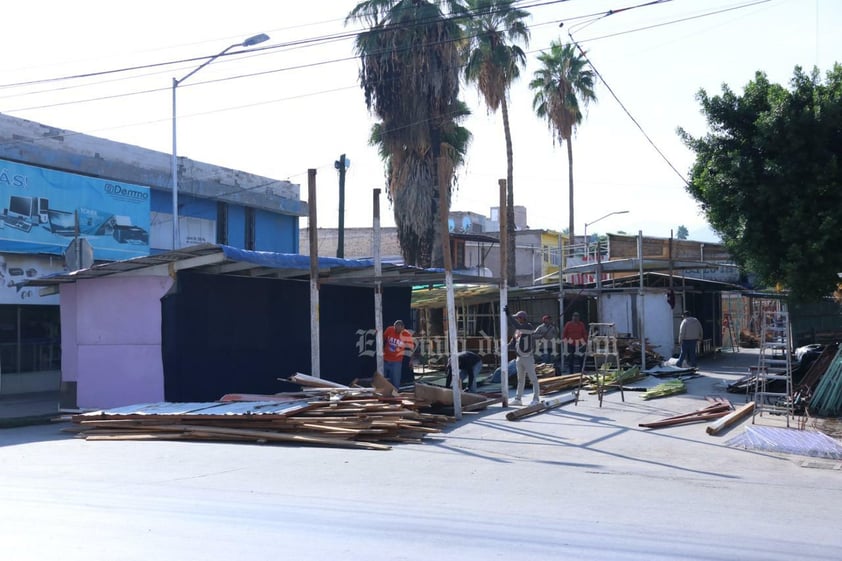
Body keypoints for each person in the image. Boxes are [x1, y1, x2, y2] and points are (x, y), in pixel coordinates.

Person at [505, 307, 540, 406]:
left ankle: (536, 399)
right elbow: (513, 343)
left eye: (518, 318)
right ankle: (518, 399)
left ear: (522, 318)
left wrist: (509, 315)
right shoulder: (518, 331)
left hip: (528, 357)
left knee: (533, 379)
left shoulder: (528, 327)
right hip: (519, 358)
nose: (517, 320)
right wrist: (503, 348)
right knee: (520, 379)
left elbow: (517, 325)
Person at [383, 320, 410, 389]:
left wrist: (411, 360)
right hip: (385, 359)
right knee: (381, 380)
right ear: (394, 327)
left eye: (399, 330)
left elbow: (411, 348)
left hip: (396, 361)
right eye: (396, 329)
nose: (397, 331)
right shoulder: (389, 329)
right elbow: (382, 338)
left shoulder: (406, 334)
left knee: (395, 382)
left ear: (403, 328)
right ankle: (382, 395)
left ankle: (395, 396)